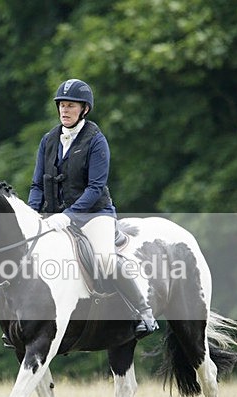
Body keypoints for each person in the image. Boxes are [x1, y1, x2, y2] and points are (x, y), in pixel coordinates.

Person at [27, 78, 158, 339]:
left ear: (84, 109)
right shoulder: (48, 140)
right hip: (54, 218)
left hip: (94, 215)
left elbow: (95, 188)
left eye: (71, 106)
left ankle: (144, 313)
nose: (64, 110)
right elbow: (37, 184)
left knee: (105, 259)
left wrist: (69, 216)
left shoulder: (96, 141)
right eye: (62, 105)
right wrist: (33, 215)